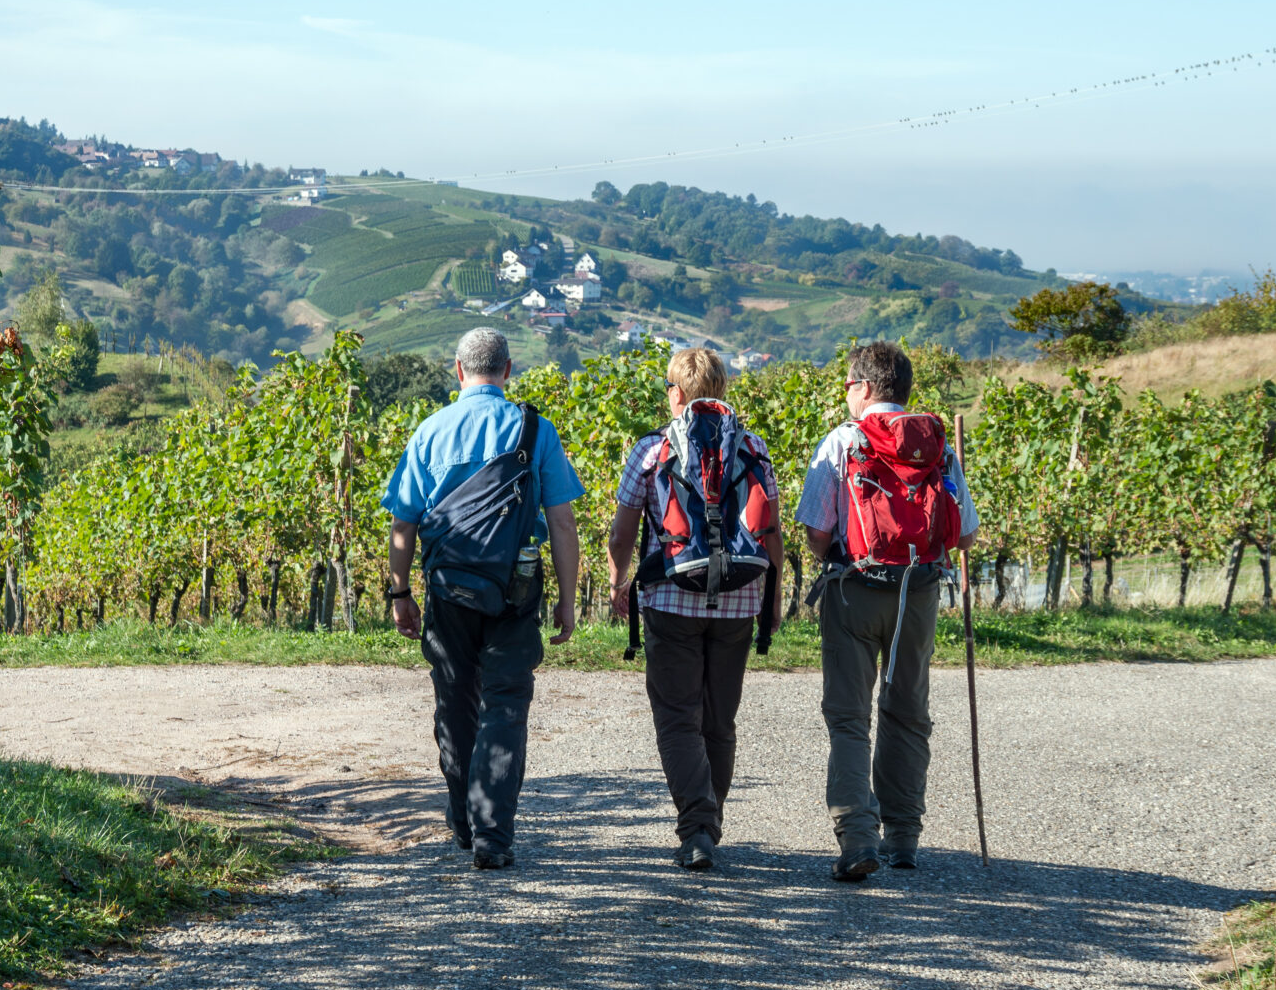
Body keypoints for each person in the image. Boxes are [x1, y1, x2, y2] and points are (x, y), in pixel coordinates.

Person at [382, 327, 585, 870]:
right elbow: (562, 523)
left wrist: (400, 591)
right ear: (509, 370)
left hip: (449, 590)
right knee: (506, 703)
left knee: (455, 700)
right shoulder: (535, 429)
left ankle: (462, 821)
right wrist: (568, 599)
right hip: (516, 591)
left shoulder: (430, 430)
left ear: (458, 370)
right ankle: (493, 834)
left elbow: (404, 523)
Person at [796, 342, 979, 882]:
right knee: (907, 713)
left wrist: (840, 558)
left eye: (849, 385)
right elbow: (964, 533)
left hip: (854, 589)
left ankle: (857, 839)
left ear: (865, 387)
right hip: (917, 595)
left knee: (849, 717)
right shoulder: (935, 447)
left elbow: (816, 530)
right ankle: (903, 839)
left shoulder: (842, 441)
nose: (847, 395)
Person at [606, 348, 783, 870]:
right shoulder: (753, 447)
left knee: (679, 719)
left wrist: (620, 581)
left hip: (670, 597)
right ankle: (708, 822)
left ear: (676, 393)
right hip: (739, 598)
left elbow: (622, 532)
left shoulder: (652, 449)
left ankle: (698, 826)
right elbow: (770, 530)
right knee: (719, 721)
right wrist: (771, 601)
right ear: (722, 389)